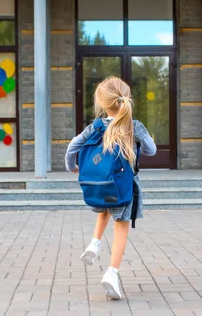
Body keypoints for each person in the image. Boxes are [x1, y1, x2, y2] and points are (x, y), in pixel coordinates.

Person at [65, 76, 156, 300]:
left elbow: (71, 149)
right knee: (121, 228)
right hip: (125, 187)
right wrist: (137, 148)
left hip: (99, 184)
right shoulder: (133, 126)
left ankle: (94, 244)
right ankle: (112, 274)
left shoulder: (94, 127)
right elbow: (152, 150)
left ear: (102, 103)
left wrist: (72, 167)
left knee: (105, 209)